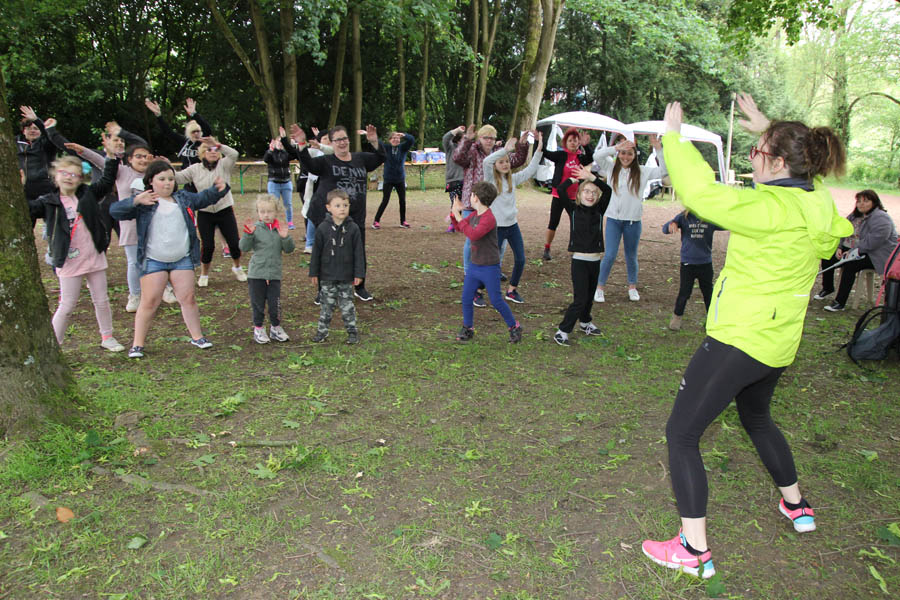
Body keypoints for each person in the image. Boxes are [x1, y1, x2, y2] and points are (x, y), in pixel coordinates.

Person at [641, 95, 852, 579]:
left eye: (758, 150)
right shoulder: (814, 201)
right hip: (778, 342)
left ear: (779, 162)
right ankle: (796, 505)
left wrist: (674, 139)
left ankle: (694, 551)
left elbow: (703, 194)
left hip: (741, 338)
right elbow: (805, 171)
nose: (751, 156)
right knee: (756, 417)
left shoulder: (769, 207)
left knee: (681, 433)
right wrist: (771, 128)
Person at [110, 161, 230, 358]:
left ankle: (197, 336)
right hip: (153, 260)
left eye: (171, 179)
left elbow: (202, 198)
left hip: (181, 258)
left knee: (188, 298)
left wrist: (219, 189)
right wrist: (136, 201)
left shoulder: (182, 198)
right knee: (149, 302)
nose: (167, 183)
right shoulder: (145, 202)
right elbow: (115, 211)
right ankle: (137, 344)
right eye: (162, 179)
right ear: (151, 181)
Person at [29, 154, 124, 352]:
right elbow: (27, 209)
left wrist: (113, 158)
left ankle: (107, 336)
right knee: (68, 304)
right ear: (55, 176)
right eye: (64, 173)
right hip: (68, 260)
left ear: (81, 178)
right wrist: (20, 187)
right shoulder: (48, 202)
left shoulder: (87, 194)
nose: (68, 177)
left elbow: (106, 182)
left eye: (74, 174)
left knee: (102, 299)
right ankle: (55, 345)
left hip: (93, 256)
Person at [285, 123, 383, 302]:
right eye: (337, 140)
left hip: (355, 216)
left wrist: (374, 141)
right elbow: (308, 163)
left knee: (357, 251)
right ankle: (323, 290)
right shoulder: (326, 162)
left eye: (344, 138)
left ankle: (359, 287)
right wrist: (301, 144)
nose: (342, 143)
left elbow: (380, 157)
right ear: (331, 143)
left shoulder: (360, 159)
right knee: (329, 253)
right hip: (330, 218)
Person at [453, 124, 529, 307]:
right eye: (486, 137)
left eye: (492, 138)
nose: (489, 141)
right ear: (479, 138)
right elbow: (458, 157)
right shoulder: (471, 150)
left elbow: (515, 161)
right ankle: (469, 273)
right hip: (474, 200)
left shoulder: (498, 151)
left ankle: (492, 273)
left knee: (496, 245)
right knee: (472, 242)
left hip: (493, 206)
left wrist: (523, 145)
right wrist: (467, 139)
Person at [592, 135, 667, 302]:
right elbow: (596, 156)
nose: (626, 157)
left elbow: (664, 171)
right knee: (610, 254)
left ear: (635, 156)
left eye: (630, 154)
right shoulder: (611, 168)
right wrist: (616, 148)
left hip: (633, 221)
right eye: (623, 153)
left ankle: (632, 286)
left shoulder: (642, 171)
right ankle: (599, 287)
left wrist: (658, 149)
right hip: (613, 220)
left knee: (631, 256)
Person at [450, 181, 522, 343]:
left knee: (496, 300)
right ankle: (468, 328)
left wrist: (459, 215)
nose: (470, 197)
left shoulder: (488, 218)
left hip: (489, 267)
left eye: (472, 194)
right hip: (475, 266)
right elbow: (461, 227)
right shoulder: (475, 216)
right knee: (467, 297)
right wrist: (455, 213)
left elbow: (473, 235)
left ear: (476, 198)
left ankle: (514, 327)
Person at [174, 137, 247, 286]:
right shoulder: (195, 169)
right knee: (207, 246)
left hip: (224, 209)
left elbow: (234, 154)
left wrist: (218, 145)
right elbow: (178, 178)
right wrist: (163, 167)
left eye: (215, 150)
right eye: (209, 149)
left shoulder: (224, 165)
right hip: (205, 212)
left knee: (234, 242)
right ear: (202, 153)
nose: (212, 152)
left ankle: (237, 267)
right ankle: (204, 274)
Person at [552, 167, 611, 346]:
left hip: (595, 261)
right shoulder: (573, 210)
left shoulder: (600, 210)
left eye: (594, 192)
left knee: (590, 295)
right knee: (580, 299)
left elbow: (608, 190)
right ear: (579, 194)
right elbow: (561, 190)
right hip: (579, 261)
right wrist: (575, 179)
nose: (590, 195)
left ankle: (585, 322)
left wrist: (592, 178)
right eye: (586, 191)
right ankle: (562, 331)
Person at [483, 132, 544, 304]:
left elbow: (531, 170)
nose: (504, 164)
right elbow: (486, 161)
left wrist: (539, 149)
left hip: (512, 226)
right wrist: (505, 150)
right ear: (496, 165)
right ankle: (478, 291)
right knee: (491, 262)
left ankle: (512, 291)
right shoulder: (490, 181)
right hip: (496, 227)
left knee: (520, 259)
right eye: (501, 162)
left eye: (507, 162)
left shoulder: (513, 179)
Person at [821, 189, 898, 311]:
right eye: (859, 201)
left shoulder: (881, 218)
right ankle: (827, 288)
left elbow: (874, 242)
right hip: (856, 249)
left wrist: (853, 252)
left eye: (866, 201)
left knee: (850, 265)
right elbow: (844, 232)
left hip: (877, 255)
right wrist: (840, 247)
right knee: (828, 257)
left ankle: (839, 302)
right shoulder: (854, 216)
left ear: (874, 202)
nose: (861, 204)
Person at [309, 189, 365, 344]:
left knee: (348, 307)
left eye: (345, 205)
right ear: (328, 208)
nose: (342, 208)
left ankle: (352, 333)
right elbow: (316, 253)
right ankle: (322, 333)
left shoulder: (353, 229)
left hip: (346, 277)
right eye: (338, 205)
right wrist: (314, 273)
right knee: (326, 307)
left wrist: (359, 273)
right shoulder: (322, 228)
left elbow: (359, 253)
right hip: (327, 277)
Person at [239, 194, 295, 344]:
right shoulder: (255, 229)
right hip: (257, 274)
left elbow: (289, 249)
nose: (266, 215)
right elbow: (243, 247)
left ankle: (276, 328)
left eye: (269, 211)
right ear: (258, 212)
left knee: (274, 303)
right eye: (262, 211)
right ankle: (258, 328)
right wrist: (248, 235)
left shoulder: (279, 229)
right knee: (258, 303)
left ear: (276, 211)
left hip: (274, 274)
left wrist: (285, 237)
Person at [662, 210, 723, 330]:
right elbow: (665, 229)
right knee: (684, 292)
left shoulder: (710, 216)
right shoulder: (684, 216)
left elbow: (728, 223)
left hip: (705, 263)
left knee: (708, 293)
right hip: (687, 263)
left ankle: (711, 320)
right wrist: (672, 224)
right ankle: (677, 318)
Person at [541, 128, 594, 261]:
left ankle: (575, 247)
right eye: (570, 140)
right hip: (559, 195)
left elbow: (590, 159)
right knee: (553, 222)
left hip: (574, 196)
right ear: (565, 142)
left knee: (576, 222)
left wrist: (586, 146)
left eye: (575, 141)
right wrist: (539, 140)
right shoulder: (561, 155)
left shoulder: (581, 157)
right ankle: (547, 248)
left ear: (578, 143)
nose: (572, 143)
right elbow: (545, 153)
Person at [144, 98, 212, 174]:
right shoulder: (184, 142)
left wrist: (194, 114)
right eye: (193, 132)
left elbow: (207, 129)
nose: (196, 134)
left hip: (201, 175)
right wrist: (158, 115)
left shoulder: (203, 142)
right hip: (187, 177)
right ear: (188, 133)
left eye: (198, 131)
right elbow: (168, 132)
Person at [17, 106, 67, 204]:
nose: (32, 131)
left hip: (46, 187)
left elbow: (49, 134)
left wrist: (36, 120)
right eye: (29, 128)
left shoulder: (47, 144)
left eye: (35, 128)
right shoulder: (15, 143)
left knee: (51, 216)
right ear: (23, 131)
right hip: (24, 187)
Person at [372, 131, 415, 229]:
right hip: (388, 178)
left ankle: (403, 221)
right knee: (385, 200)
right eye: (393, 138)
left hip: (400, 178)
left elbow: (411, 140)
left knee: (402, 201)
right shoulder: (386, 148)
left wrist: (404, 135)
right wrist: (370, 135)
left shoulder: (403, 148)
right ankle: (376, 221)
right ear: (389, 140)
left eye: (397, 138)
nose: (396, 140)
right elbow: (377, 143)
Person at [263, 137, 295, 229]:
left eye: (282, 143)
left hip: (286, 182)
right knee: (273, 204)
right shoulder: (271, 153)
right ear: (275, 143)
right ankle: (273, 223)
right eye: (279, 142)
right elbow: (266, 159)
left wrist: (292, 146)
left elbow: (294, 155)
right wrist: (270, 150)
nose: (280, 144)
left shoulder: (286, 153)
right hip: (274, 182)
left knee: (288, 204)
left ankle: (290, 222)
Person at [442, 125, 466, 232]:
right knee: (455, 202)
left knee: (466, 203)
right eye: (463, 139)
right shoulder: (450, 148)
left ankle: (459, 223)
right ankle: (453, 224)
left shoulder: (467, 150)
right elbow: (446, 138)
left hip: (466, 180)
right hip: (453, 180)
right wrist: (456, 130)